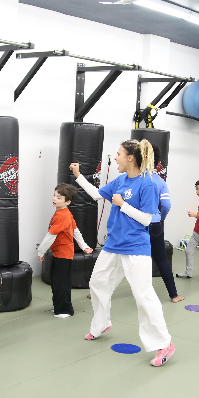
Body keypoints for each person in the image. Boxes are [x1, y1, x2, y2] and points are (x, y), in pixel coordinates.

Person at [69, 139, 175, 367]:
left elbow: (147, 219)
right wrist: (78, 176)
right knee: (97, 282)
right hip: (113, 245)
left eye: (118, 154)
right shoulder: (120, 180)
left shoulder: (147, 183)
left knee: (143, 295)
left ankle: (164, 343)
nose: (115, 158)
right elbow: (97, 195)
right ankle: (101, 324)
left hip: (136, 247)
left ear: (130, 157)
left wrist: (122, 205)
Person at [37, 183, 92, 318]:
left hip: (63, 254)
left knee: (61, 283)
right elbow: (75, 230)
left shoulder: (63, 215)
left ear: (67, 202)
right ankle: (59, 307)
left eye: (59, 197)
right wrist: (84, 246)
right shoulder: (63, 213)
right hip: (58, 253)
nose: (54, 199)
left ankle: (65, 310)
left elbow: (50, 236)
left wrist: (41, 251)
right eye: (54, 195)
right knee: (56, 281)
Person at [149, 145, 184, 303]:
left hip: (136, 224)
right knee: (161, 259)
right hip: (155, 224)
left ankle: (101, 290)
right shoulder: (159, 181)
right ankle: (174, 295)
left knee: (124, 256)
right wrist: (161, 217)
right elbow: (167, 205)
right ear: (157, 163)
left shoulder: (134, 179)